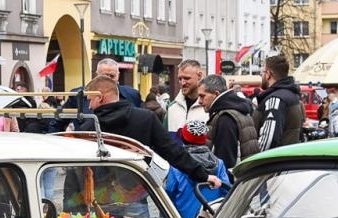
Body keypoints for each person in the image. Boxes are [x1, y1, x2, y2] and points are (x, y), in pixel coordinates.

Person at [85, 75, 220, 189]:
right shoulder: (145, 118)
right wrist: (203, 175)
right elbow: (172, 151)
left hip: (98, 195)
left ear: (100, 97)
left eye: (90, 100)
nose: (89, 106)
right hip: (136, 192)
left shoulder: (88, 127)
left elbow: (78, 172)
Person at [199, 73, 258, 170]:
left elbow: (225, 161)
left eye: (202, 96)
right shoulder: (237, 110)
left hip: (233, 179)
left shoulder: (225, 117)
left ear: (216, 94)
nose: (200, 101)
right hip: (245, 175)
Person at [253, 53, 305, 149]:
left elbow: (268, 141)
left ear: (268, 74)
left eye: (263, 72)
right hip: (286, 158)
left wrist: (252, 160)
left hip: (272, 161)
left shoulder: (275, 100)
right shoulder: (292, 95)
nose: (261, 75)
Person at [164, 59, 208, 131]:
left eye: (186, 78)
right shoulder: (172, 107)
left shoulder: (209, 108)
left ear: (199, 76)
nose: (182, 83)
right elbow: (164, 138)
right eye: (180, 79)